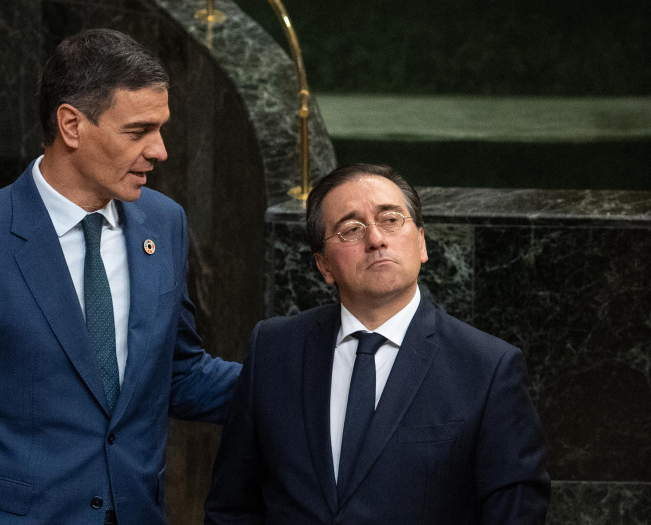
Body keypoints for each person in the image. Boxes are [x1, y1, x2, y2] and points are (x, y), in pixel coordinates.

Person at [0, 29, 241, 524]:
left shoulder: (164, 223)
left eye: (161, 129)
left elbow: (176, 373)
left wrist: (307, 379)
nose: (159, 150)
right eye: (138, 131)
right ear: (71, 125)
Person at [204, 164, 550, 524]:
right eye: (351, 229)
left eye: (390, 220)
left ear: (421, 242)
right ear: (323, 265)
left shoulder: (488, 368)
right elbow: (232, 508)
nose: (376, 239)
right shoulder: (274, 349)